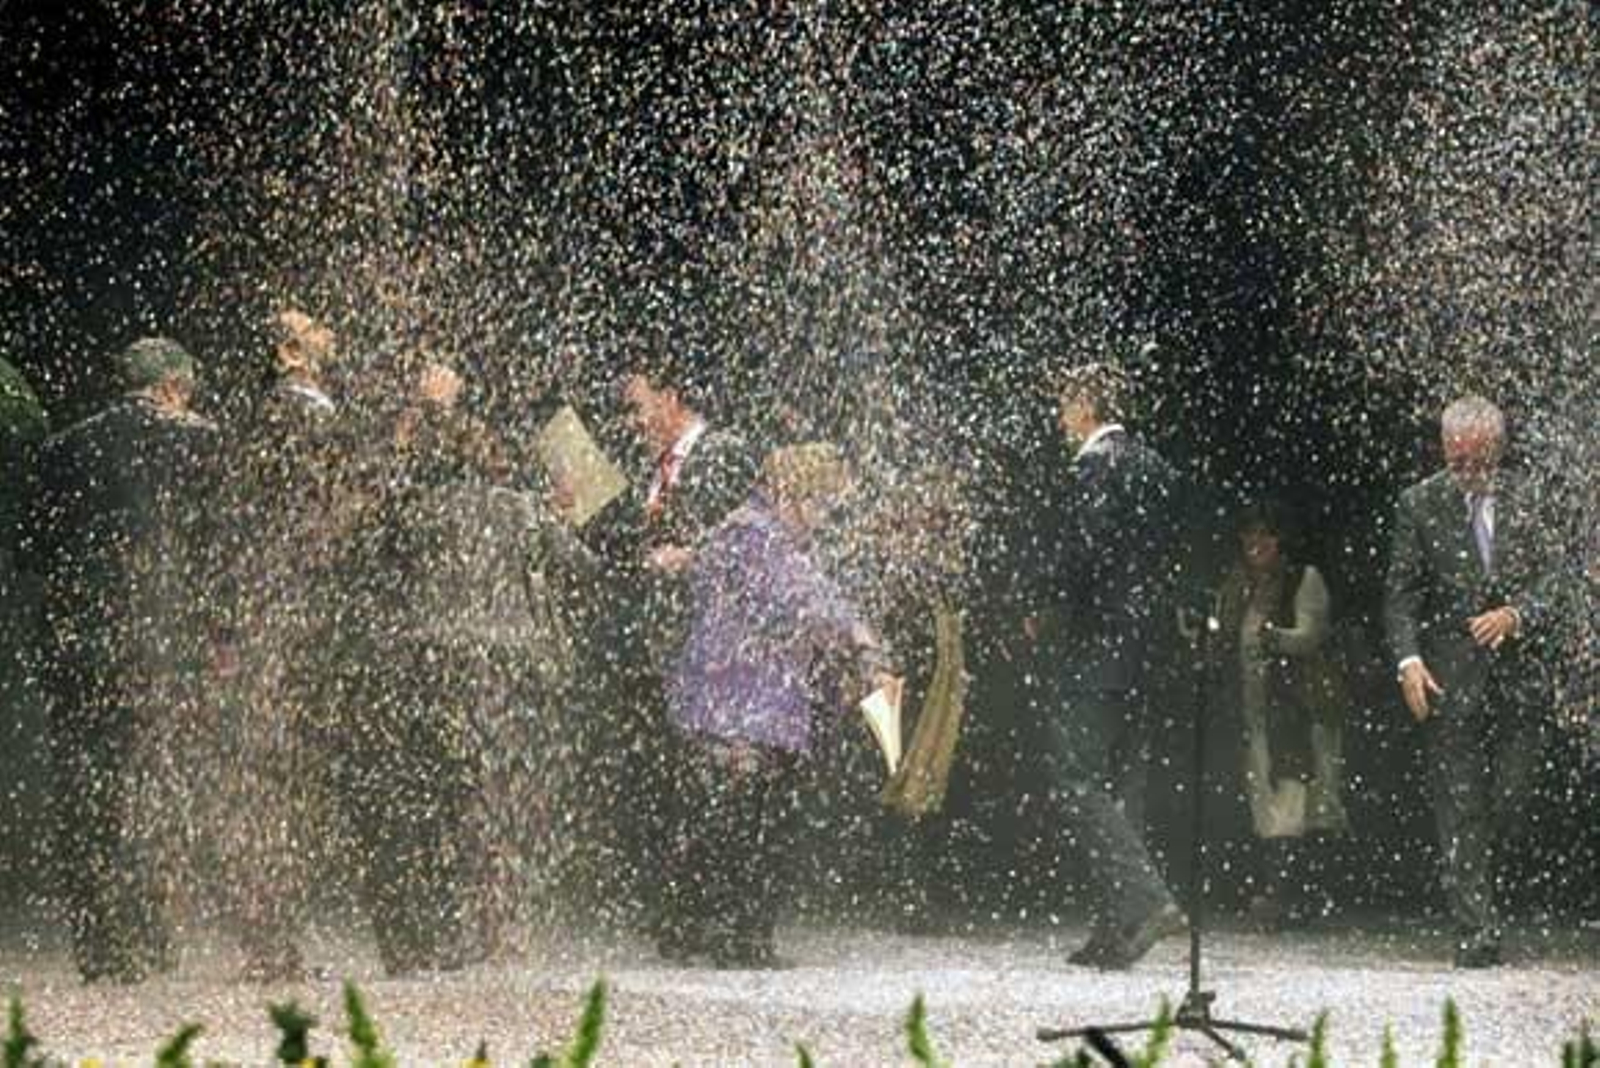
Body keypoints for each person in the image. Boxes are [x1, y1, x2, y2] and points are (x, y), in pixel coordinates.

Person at [28, 337, 224, 982]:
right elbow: (213, 549)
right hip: (158, 640)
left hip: (79, 642)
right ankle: (149, 934)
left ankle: (99, 946)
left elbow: (41, 549)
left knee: (85, 785)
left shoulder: (65, 446)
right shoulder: (197, 441)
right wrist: (221, 636)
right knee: (153, 778)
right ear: (174, 386)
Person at [661, 442, 896, 967]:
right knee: (755, 820)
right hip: (744, 704)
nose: (821, 521)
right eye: (820, 506)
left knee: (729, 817)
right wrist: (862, 641)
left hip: (736, 700)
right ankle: (738, 937)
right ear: (792, 494)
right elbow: (804, 598)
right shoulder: (754, 536)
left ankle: (697, 926)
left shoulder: (747, 532)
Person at [1384, 395, 1561, 968]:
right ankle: (1475, 928)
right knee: (1459, 805)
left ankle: (1487, 881)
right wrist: (1409, 660)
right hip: (1449, 678)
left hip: (1519, 681)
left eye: (1477, 461)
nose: (1466, 473)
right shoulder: (1418, 504)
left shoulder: (1531, 500)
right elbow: (1401, 595)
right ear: (1442, 450)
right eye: (1456, 461)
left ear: (1498, 451)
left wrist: (1517, 615)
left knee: (1510, 794)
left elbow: (1560, 581)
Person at [1023, 361, 1184, 970]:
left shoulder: (1094, 465)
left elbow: (1083, 551)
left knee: (1077, 778)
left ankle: (1145, 901)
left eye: (1067, 404)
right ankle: (1116, 931)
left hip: (1098, 649)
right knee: (1120, 787)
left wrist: (1049, 604)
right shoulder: (1154, 466)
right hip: (1144, 652)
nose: (1061, 417)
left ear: (1086, 407)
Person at [216, 307, 348, 981]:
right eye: (312, 325)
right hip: (291, 616)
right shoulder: (294, 411)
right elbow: (310, 514)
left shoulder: (296, 410)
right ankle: (268, 941)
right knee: (281, 782)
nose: (330, 331)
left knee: (287, 782)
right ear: (288, 350)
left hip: (287, 614)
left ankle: (273, 938)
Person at [1210, 500, 1348, 927]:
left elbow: (1310, 636)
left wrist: (1275, 639)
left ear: (1281, 540)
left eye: (1265, 534)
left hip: (1299, 712)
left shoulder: (1302, 579)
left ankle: (1294, 897)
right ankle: (1287, 896)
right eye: (1249, 534)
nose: (1256, 543)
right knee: (1267, 804)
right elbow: (1223, 636)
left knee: (1302, 803)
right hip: (1255, 713)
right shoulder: (1235, 587)